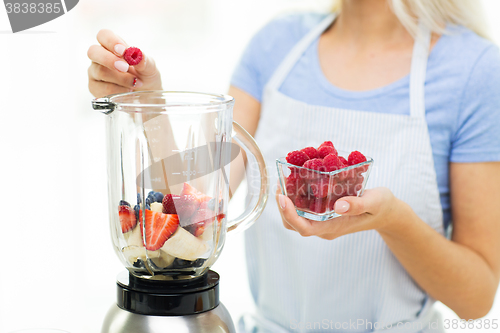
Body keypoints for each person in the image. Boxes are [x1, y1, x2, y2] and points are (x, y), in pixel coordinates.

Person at [87, 0, 500, 331]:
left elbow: (475, 299)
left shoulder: (474, 70)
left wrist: (392, 220)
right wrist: (150, 105)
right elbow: (195, 211)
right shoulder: (276, 45)